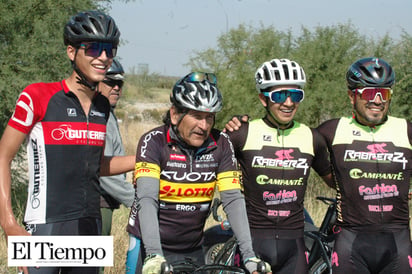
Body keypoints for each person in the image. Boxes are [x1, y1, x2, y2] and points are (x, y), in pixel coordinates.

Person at [0, 10, 134, 274]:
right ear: (71, 52)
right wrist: (9, 223)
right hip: (45, 225)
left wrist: (144, 158)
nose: (104, 57)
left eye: (110, 49)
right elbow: (3, 156)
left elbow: (94, 165)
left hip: (90, 226)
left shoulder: (102, 106)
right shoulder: (38, 96)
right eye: (94, 48)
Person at [125, 72, 271, 274]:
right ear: (175, 114)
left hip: (191, 247)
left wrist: (249, 255)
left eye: (209, 117)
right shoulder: (154, 142)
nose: (204, 126)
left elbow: (233, 200)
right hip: (148, 246)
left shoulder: (221, 143)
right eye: (196, 116)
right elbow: (148, 199)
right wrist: (154, 255)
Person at [224, 58, 334, 273]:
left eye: (295, 95)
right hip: (253, 241)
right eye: (279, 95)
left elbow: (335, 181)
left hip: (293, 244)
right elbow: (203, 163)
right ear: (263, 99)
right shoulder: (241, 133)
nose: (288, 103)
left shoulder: (311, 137)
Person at [316, 57, 412, 273]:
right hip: (351, 242)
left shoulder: (405, 130)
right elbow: (285, 142)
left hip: (398, 243)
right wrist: (240, 126)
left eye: (384, 93)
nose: (377, 100)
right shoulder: (332, 130)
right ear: (352, 95)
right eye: (369, 93)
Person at [98, 58, 135, 274]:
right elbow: (103, 171)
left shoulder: (107, 112)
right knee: (92, 267)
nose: (116, 88)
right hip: (96, 203)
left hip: (105, 203)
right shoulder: (97, 115)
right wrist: (136, 201)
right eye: (110, 83)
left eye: (119, 84)